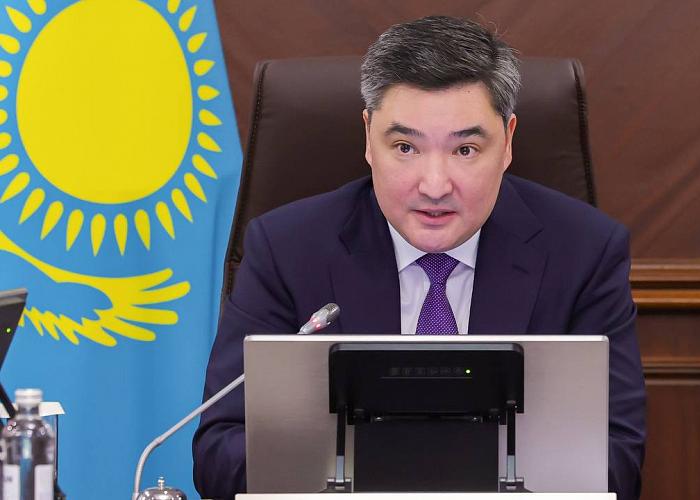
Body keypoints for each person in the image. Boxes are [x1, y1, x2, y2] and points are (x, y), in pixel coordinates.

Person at [193, 15, 646, 500]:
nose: (434, 185)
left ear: (509, 141)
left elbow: (615, 460)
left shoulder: (584, 253)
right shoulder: (288, 249)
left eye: (465, 149)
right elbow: (222, 450)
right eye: (405, 147)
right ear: (368, 137)